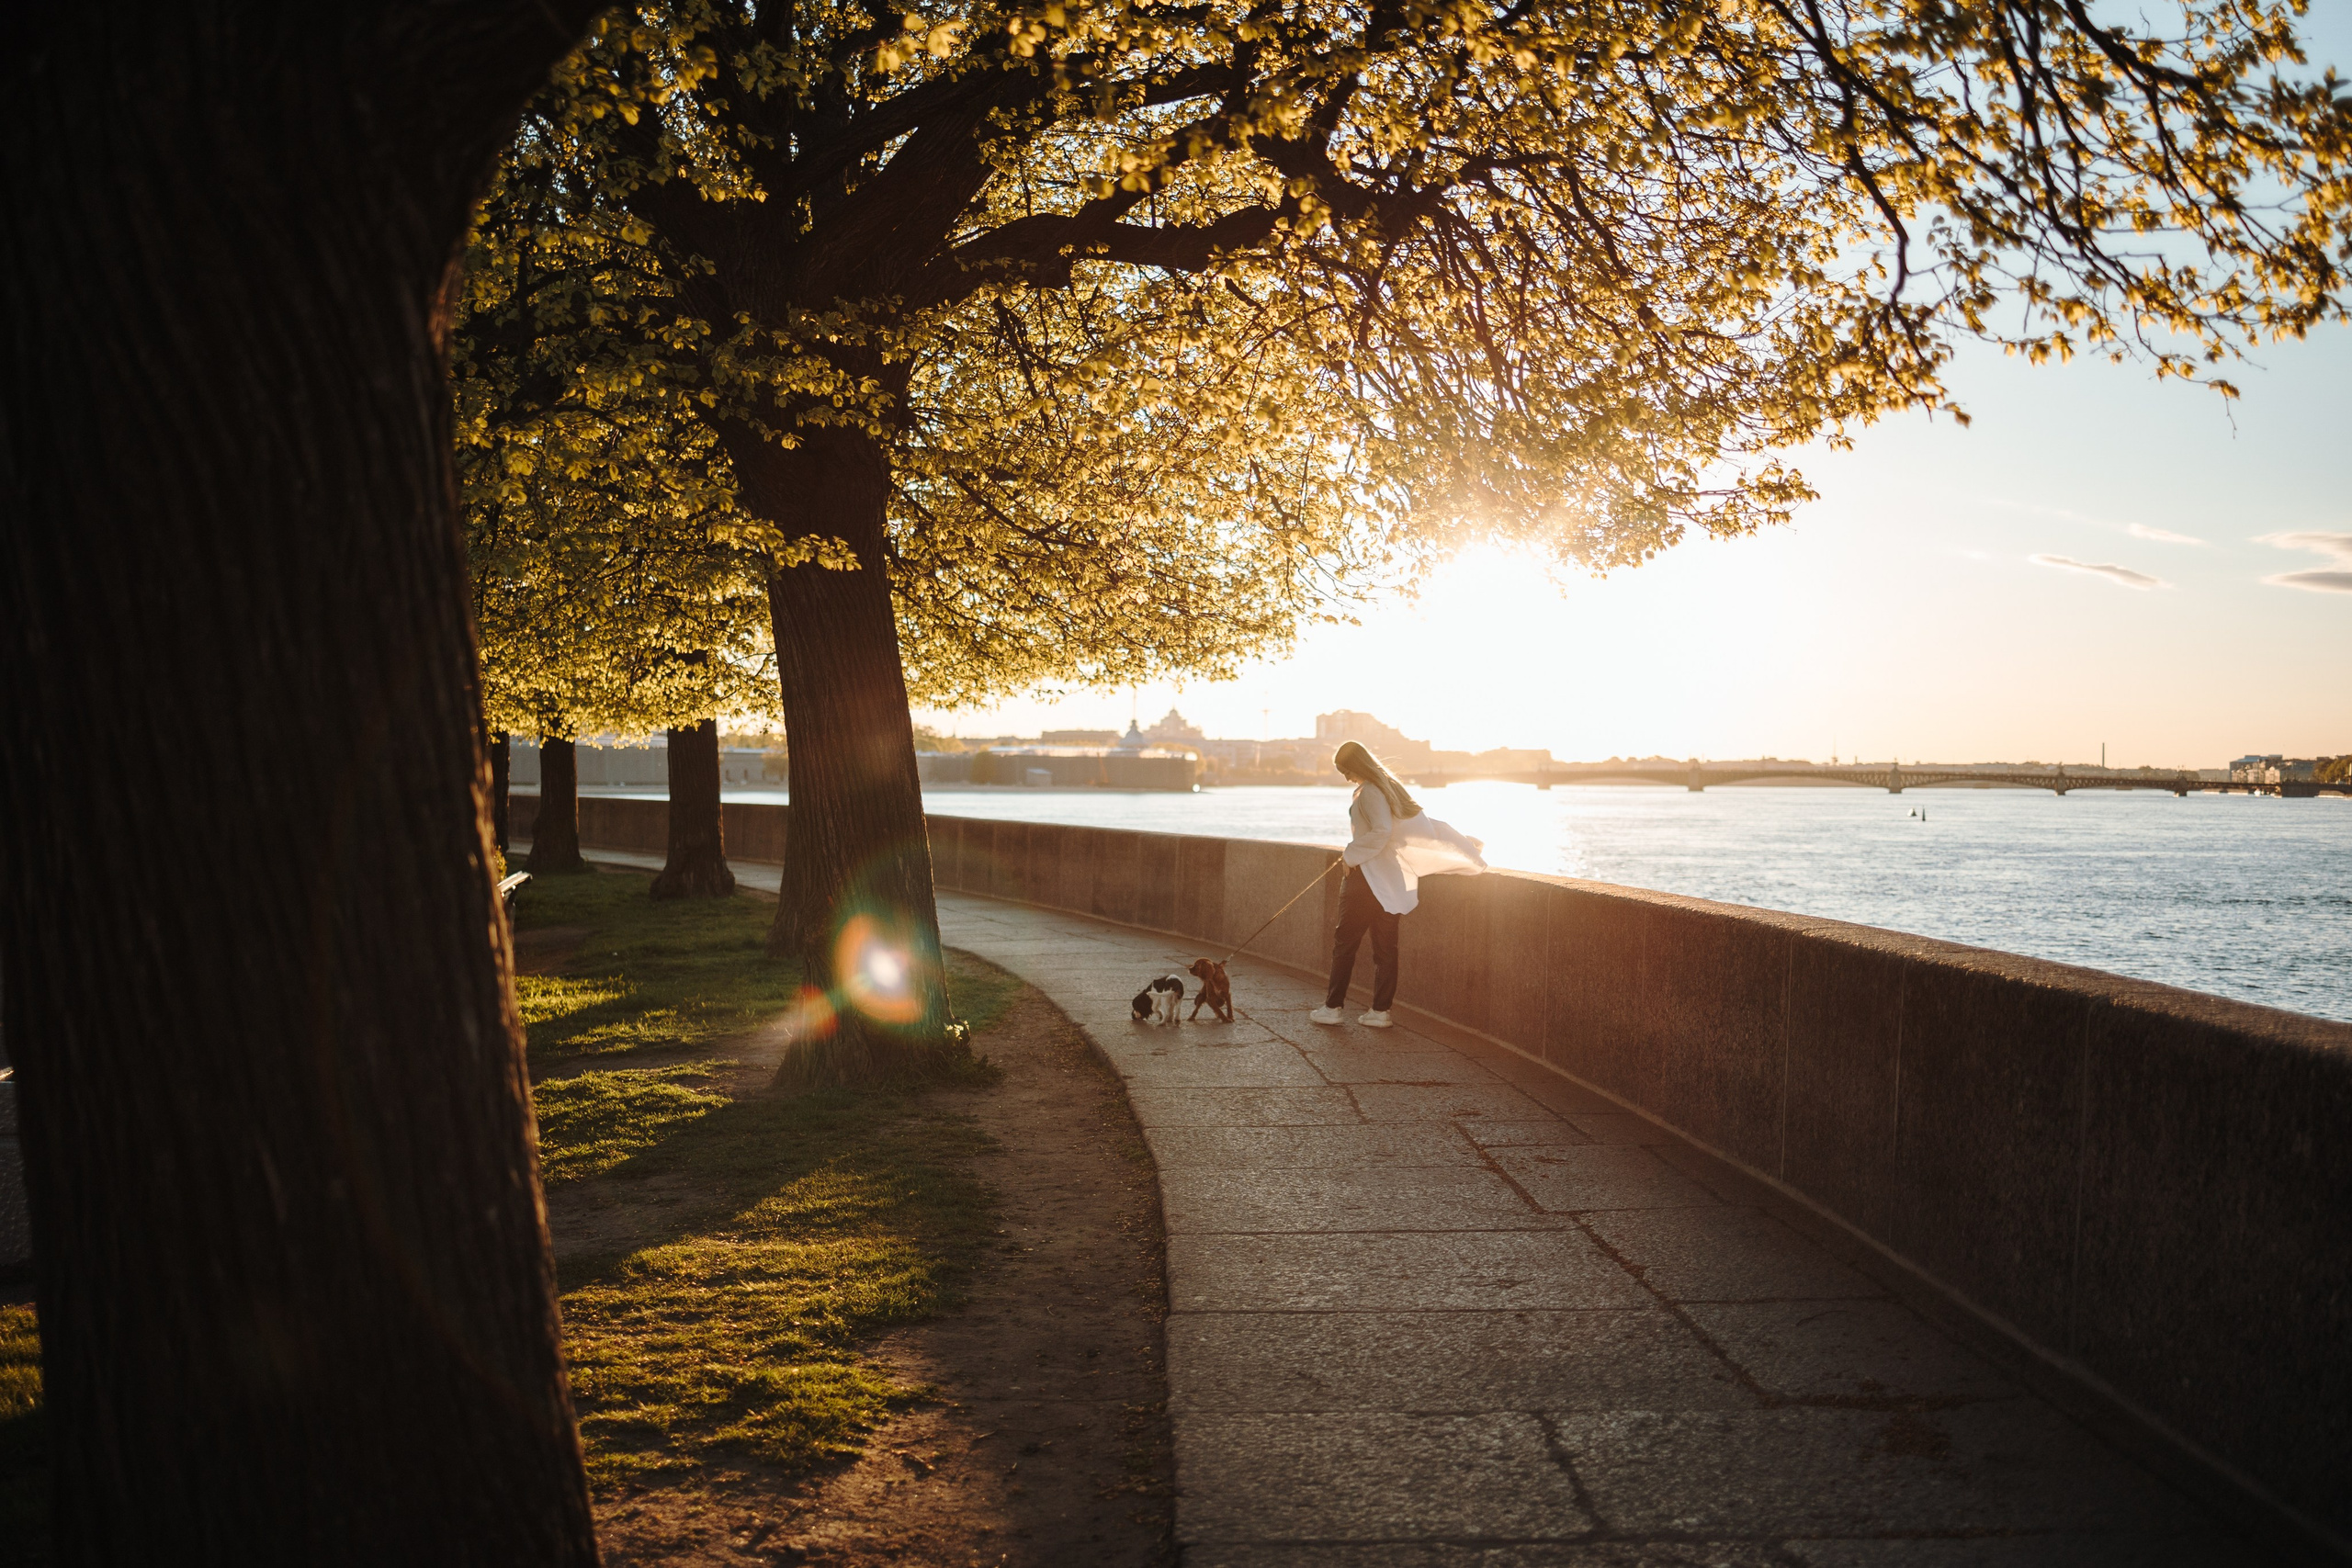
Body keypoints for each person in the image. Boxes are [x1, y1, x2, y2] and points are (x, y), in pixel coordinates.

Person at [1310, 740, 1488, 1029]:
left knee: (1345, 946)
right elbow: (1424, 827)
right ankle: (1381, 1012)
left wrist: (1350, 855)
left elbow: (1381, 831)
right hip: (1391, 882)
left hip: (1366, 879)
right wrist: (1465, 845)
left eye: (1345, 771)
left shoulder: (1370, 792)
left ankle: (1333, 1008)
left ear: (1355, 767)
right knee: (1385, 949)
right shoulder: (1390, 788)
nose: (1345, 777)